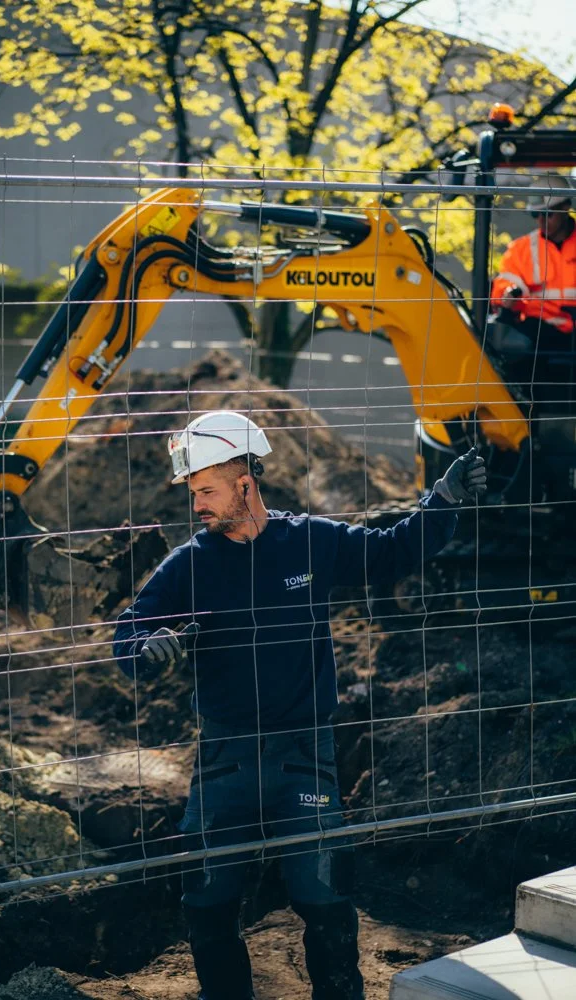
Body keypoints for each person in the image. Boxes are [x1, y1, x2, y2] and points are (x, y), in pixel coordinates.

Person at [113, 410, 486, 1000]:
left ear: (245, 481)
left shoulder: (310, 541)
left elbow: (391, 553)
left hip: (302, 754)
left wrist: (442, 500)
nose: (197, 505)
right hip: (225, 756)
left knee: (325, 900)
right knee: (207, 902)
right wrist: (145, 646)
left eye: (206, 490)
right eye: (193, 493)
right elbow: (127, 633)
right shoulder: (191, 563)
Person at [491, 173, 576, 395]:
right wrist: (506, 296)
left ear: (566, 206)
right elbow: (504, 284)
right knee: (517, 349)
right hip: (540, 330)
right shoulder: (522, 250)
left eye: (547, 214)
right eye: (535, 214)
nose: (541, 220)